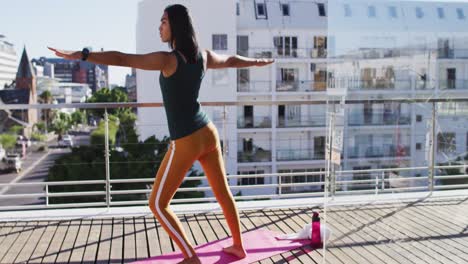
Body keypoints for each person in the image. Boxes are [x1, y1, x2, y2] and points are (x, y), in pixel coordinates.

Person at [49, 4, 274, 264]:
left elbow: (122, 59)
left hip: (187, 140)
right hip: (208, 133)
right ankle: (238, 246)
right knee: (222, 192)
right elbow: (232, 60)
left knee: (157, 204)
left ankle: (191, 258)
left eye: (164, 22)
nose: (160, 26)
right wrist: (257, 62)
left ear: (176, 26)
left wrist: (82, 54)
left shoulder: (168, 60)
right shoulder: (203, 56)